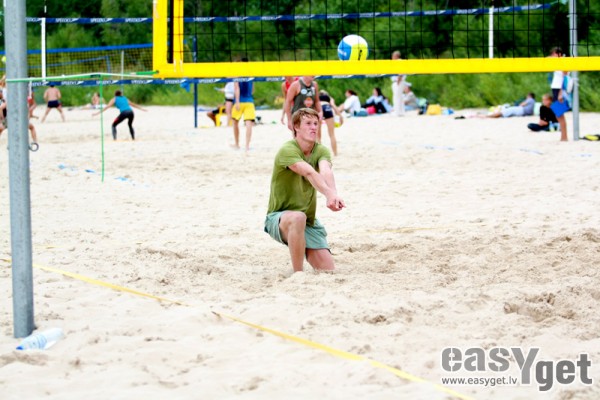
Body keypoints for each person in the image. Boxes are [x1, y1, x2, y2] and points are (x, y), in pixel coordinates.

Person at [264, 108, 345, 273]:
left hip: (308, 221)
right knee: (297, 217)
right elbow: (309, 172)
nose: (313, 127)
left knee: (328, 269)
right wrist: (328, 194)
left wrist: (334, 194)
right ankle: (298, 273)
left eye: (315, 123)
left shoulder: (321, 150)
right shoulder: (287, 150)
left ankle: (304, 247)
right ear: (296, 127)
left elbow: (326, 171)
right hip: (278, 218)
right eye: (308, 123)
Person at [549, 47, 568, 141]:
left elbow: (565, 77)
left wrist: (561, 92)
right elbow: (547, 59)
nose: (552, 56)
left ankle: (564, 137)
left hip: (559, 89)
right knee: (558, 114)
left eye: (554, 54)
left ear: (559, 54)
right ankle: (563, 136)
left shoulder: (564, 62)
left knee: (560, 114)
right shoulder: (557, 62)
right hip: (555, 89)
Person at [231, 77, 256, 151]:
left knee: (235, 123)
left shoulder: (237, 75)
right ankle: (247, 146)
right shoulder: (251, 75)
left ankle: (237, 144)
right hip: (249, 101)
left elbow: (236, 88)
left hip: (240, 101)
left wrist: (237, 101)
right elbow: (253, 90)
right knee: (249, 124)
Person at [319, 90, 343, 156]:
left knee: (318, 136)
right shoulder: (329, 97)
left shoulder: (316, 97)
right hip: (327, 108)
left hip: (319, 108)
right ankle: (335, 153)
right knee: (332, 134)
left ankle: (319, 154)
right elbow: (333, 105)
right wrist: (340, 117)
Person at [391, 50, 406, 116]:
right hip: (399, 81)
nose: (392, 57)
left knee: (396, 97)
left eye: (393, 56)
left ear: (396, 56)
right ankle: (401, 112)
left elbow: (401, 72)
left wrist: (398, 80)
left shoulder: (399, 61)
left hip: (398, 82)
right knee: (400, 97)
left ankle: (397, 112)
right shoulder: (398, 62)